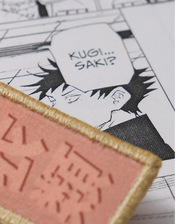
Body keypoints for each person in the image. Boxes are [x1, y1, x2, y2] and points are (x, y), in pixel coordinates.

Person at [28, 60, 174, 160]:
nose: (55, 110)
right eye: (51, 102)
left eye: (71, 98)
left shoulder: (143, 148)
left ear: (117, 98)